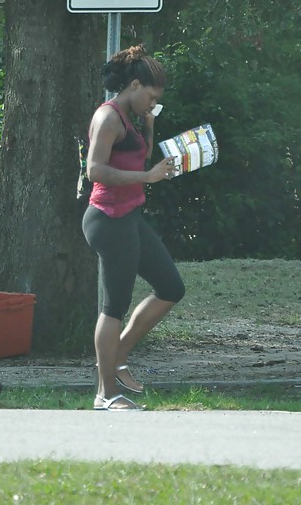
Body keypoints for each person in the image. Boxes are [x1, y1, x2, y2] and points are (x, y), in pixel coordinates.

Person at [81, 45, 184, 411]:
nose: (151, 104)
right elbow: (95, 170)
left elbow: (137, 156)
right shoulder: (108, 118)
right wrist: (148, 176)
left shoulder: (132, 118)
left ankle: (117, 357)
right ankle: (105, 394)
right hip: (108, 220)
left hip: (129, 217)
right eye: (151, 98)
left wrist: (150, 128)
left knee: (171, 287)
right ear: (135, 85)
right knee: (114, 308)